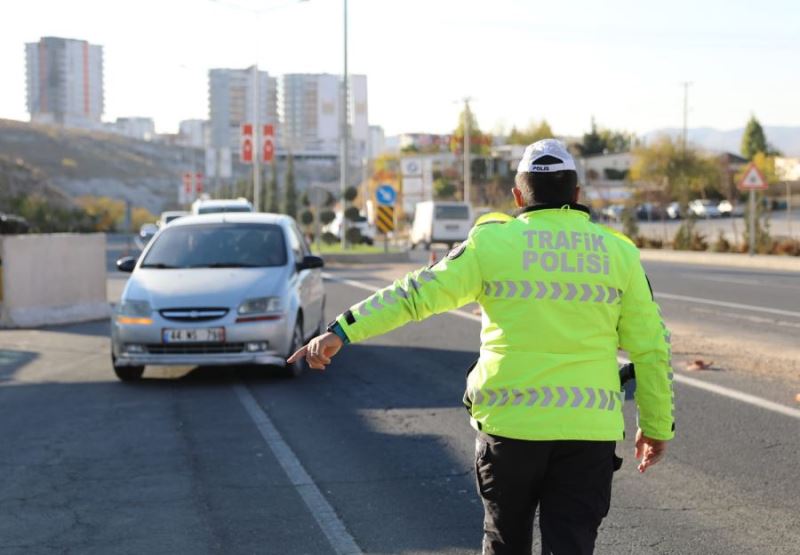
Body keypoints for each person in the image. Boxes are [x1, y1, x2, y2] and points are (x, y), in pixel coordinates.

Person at [289, 139, 674, 555]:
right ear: (577, 195)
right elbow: (652, 349)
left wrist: (341, 331)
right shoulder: (619, 254)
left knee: (504, 543)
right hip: (588, 436)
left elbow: (413, 296)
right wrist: (655, 426)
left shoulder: (491, 246)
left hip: (509, 431)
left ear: (517, 195)